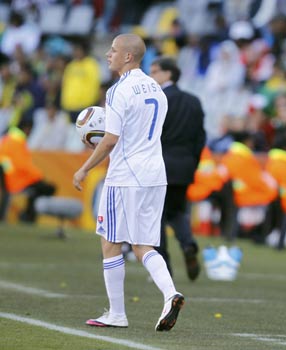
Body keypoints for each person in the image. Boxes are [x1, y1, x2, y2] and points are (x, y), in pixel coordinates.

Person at [72, 34, 184, 331]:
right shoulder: (157, 89)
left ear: (128, 57)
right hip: (155, 175)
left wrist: (83, 169)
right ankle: (170, 293)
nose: (108, 54)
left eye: (113, 50)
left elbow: (110, 140)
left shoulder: (118, 90)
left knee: (110, 242)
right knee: (143, 245)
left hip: (125, 176)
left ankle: (118, 314)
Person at [149, 56, 206, 281]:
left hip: (159, 166)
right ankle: (188, 244)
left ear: (167, 74)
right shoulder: (194, 101)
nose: (151, 77)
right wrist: (193, 164)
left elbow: (150, 136)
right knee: (177, 212)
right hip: (184, 167)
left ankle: (164, 269)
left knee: (157, 219)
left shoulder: (157, 99)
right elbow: (200, 138)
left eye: (154, 72)